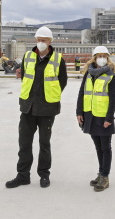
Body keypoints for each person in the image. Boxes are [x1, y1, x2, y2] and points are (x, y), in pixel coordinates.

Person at [5, 26, 68, 189]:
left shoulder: (58, 59)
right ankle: (23, 176)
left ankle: (44, 175)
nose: (41, 42)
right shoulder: (28, 56)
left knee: (44, 144)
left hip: (47, 108)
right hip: (28, 107)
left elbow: (62, 82)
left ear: (50, 41)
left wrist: (50, 95)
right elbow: (25, 78)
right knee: (24, 143)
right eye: (39, 39)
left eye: (44, 40)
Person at [76, 46, 115, 192]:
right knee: (98, 147)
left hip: (103, 117)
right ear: (94, 58)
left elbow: (113, 99)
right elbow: (82, 93)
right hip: (90, 115)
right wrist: (79, 112)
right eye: (99, 56)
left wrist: (109, 118)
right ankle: (101, 173)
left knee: (105, 147)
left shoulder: (111, 75)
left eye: (104, 56)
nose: (102, 58)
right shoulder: (88, 74)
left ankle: (105, 176)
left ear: (108, 58)